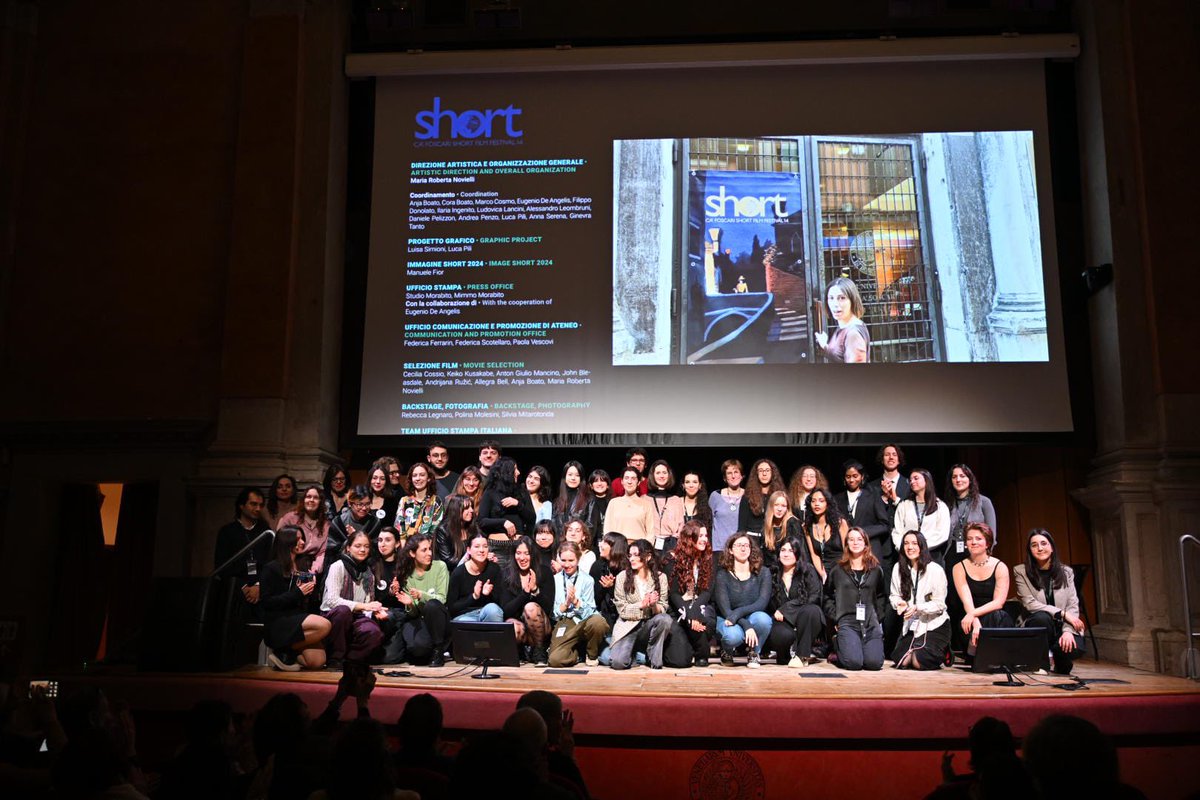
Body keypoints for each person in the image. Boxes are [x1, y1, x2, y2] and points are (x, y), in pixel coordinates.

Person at [1013, 528, 1086, 675]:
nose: (1040, 548)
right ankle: (1041, 664)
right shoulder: (1021, 571)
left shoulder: (1067, 572)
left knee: (1073, 647)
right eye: (1034, 545)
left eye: (1043, 543)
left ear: (1051, 547)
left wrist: (1067, 631)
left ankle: (1061, 659)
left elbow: (1072, 604)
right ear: (1030, 550)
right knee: (1042, 617)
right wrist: (1062, 613)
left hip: (1062, 626)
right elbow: (1030, 604)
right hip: (1037, 623)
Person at [259, 525, 331, 671]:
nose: (302, 542)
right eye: (298, 539)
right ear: (286, 542)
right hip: (279, 621)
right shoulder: (271, 568)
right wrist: (297, 593)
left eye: (302, 538)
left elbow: (305, 601)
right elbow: (267, 602)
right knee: (325, 625)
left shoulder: (302, 566)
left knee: (316, 662)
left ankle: (285, 654)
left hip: (297, 618)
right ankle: (282, 649)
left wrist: (312, 590)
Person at [823, 527, 888, 670]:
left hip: (870, 623)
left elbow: (882, 596)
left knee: (874, 664)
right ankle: (837, 646)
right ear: (846, 543)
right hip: (847, 622)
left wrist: (878, 617)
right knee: (854, 663)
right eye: (851, 539)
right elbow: (827, 596)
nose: (855, 542)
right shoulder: (838, 569)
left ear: (866, 543)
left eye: (859, 539)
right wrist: (836, 617)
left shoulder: (876, 570)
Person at [319, 529, 385, 670]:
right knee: (343, 612)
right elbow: (332, 600)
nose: (362, 550)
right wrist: (363, 606)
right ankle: (335, 659)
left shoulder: (368, 573)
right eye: (358, 546)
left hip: (357, 617)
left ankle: (352, 661)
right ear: (348, 548)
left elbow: (368, 604)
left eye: (366, 546)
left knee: (374, 631)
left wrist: (375, 610)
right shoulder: (338, 567)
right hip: (333, 617)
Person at [385, 533, 450, 667]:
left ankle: (439, 649)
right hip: (418, 619)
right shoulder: (408, 575)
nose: (429, 553)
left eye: (430, 549)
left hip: (437, 617)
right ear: (412, 553)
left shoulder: (440, 566)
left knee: (432, 605)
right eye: (424, 550)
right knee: (418, 650)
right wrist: (410, 605)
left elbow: (441, 599)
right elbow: (413, 613)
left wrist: (422, 595)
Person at [890, 531, 951, 669]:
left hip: (934, 624)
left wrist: (918, 607)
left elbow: (940, 604)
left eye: (914, 543)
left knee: (919, 661)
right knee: (901, 661)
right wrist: (899, 604)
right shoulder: (898, 568)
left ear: (922, 546)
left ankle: (946, 650)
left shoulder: (935, 570)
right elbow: (894, 595)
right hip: (912, 625)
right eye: (906, 543)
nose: (909, 547)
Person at [951, 522, 1013, 658]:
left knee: (998, 615)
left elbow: (998, 603)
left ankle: (999, 657)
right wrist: (975, 621)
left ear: (987, 543)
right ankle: (977, 654)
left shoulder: (1000, 566)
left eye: (978, 539)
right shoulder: (958, 567)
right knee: (966, 624)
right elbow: (967, 602)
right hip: (968, 618)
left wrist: (974, 615)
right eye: (969, 539)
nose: (973, 542)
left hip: (992, 616)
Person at [515, 691, 590, 800]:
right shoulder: (559, 767)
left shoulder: (497, 763)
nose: (561, 725)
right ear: (545, 724)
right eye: (559, 718)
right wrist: (568, 758)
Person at [609, 539, 671, 670]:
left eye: (636, 555)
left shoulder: (660, 577)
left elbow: (664, 606)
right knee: (618, 663)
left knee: (664, 619)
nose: (632, 558)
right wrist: (641, 605)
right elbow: (622, 609)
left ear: (648, 556)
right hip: (628, 626)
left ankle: (654, 659)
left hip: (648, 625)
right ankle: (635, 654)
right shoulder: (622, 577)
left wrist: (653, 605)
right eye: (630, 555)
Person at [713, 532, 773, 668]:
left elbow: (762, 603)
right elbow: (725, 610)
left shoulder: (763, 572)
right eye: (739, 545)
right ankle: (727, 652)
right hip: (728, 617)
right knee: (733, 636)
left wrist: (739, 614)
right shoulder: (722, 575)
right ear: (730, 550)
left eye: (746, 545)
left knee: (763, 620)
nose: (743, 548)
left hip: (749, 615)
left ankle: (754, 653)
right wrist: (746, 625)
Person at [763, 536, 824, 667]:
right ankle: (783, 655)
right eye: (783, 550)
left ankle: (802, 656)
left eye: (791, 550)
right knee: (781, 635)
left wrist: (787, 608)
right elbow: (766, 601)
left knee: (812, 610)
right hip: (781, 621)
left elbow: (814, 597)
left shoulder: (808, 570)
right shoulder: (771, 572)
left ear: (797, 553)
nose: (786, 554)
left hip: (804, 616)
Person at [662, 520, 717, 667]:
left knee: (707, 618)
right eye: (700, 535)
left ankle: (701, 653)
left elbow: (707, 591)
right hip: (678, 608)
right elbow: (673, 594)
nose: (704, 539)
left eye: (706, 535)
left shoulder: (708, 559)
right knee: (679, 661)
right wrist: (689, 615)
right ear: (689, 538)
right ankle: (685, 645)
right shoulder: (672, 559)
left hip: (700, 604)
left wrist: (694, 613)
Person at [549, 541, 610, 667]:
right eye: (563, 560)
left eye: (571, 560)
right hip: (565, 621)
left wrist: (576, 602)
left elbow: (590, 611)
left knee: (598, 622)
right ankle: (577, 653)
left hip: (583, 619)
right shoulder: (554, 580)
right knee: (555, 660)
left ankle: (591, 654)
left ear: (578, 559)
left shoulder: (587, 580)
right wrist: (566, 603)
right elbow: (554, 614)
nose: (567, 564)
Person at [212, 487, 271, 609]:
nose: (258, 509)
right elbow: (221, 564)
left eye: (261, 505)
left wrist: (258, 585)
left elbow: (270, 562)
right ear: (241, 505)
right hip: (234, 586)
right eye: (253, 504)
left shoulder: (265, 531)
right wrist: (243, 586)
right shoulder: (227, 531)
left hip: (261, 586)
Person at [500, 536, 555, 664]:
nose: (522, 558)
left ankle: (539, 651)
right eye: (518, 553)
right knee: (511, 626)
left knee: (530, 607)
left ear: (533, 554)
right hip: (520, 627)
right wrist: (524, 594)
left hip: (541, 627)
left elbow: (548, 608)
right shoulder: (506, 574)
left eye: (527, 553)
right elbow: (506, 611)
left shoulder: (545, 571)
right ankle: (520, 651)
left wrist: (535, 590)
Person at [835, 459, 894, 575]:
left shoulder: (873, 496)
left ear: (862, 477)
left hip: (870, 551)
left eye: (855, 476)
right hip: (846, 552)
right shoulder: (837, 499)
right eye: (848, 476)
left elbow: (884, 525)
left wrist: (861, 533)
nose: (851, 480)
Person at [477, 456, 536, 568]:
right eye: (515, 469)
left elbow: (532, 518)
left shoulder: (522, 491)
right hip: (497, 547)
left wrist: (518, 504)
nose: (518, 473)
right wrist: (503, 522)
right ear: (506, 472)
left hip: (519, 548)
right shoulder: (490, 492)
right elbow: (481, 521)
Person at [944, 464, 998, 569]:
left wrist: (986, 554)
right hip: (952, 553)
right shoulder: (947, 504)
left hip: (976, 551)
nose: (958, 480)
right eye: (954, 477)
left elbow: (992, 534)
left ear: (970, 479)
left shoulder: (984, 502)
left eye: (962, 476)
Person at [891, 468, 950, 566]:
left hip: (932, 556)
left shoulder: (940, 506)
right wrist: (906, 547)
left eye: (916, 478)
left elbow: (942, 533)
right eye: (910, 480)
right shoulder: (904, 505)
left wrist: (921, 547)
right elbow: (897, 531)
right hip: (908, 556)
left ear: (926, 480)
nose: (912, 481)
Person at [446, 531, 504, 623]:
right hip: (464, 615)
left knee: (494, 610)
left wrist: (487, 594)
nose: (481, 550)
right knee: (464, 622)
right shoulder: (458, 573)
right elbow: (452, 607)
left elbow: (501, 602)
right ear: (469, 550)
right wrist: (474, 596)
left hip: (486, 611)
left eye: (485, 546)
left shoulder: (494, 569)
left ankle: (493, 637)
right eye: (477, 546)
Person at [277, 485, 332, 574]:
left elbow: (322, 553)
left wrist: (313, 571)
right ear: (303, 500)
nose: (311, 500)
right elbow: (280, 544)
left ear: (320, 502)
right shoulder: (290, 518)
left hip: (313, 567)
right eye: (308, 497)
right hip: (289, 564)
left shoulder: (326, 525)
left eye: (316, 498)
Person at [815, 276, 870, 362]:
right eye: (831, 298)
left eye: (842, 298)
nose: (835, 304)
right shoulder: (844, 325)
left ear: (852, 300)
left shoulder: (853, 334)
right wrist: (825, 347)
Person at [803, 487, 848, 581]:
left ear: (827, 504)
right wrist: (822, 574)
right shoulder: (807, 526)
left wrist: (842, 571)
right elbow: (814, 554)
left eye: (821, 501)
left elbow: (847, 550)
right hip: (822, 573)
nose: (816, 504)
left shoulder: (840, 523)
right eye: (813, 501)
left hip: (842, 570)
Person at [394, 461, 443, 543]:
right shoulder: (404, 501)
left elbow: (435, 531)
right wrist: (404, 551)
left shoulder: (435, 501)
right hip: (406, 548)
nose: (418, 478)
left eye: (422, 475)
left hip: (427, 548)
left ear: (429, 478)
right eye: (414, 475)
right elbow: (400, 529)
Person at [603, 467, 656, 540]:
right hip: (617, 547)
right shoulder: (614, 503)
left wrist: (645, 549)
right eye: (626, 478)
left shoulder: (646, 504)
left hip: (639, 548)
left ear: (638, 482)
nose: (629, 481)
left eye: (633, 478)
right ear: (622, 481)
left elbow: (651, 533)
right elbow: (607, 529)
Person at [646, 459, 685, 554]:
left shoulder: (676, 500)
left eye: (664, 472)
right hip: (649, 545)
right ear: (653, 475)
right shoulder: (644, 499)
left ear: (669, 475)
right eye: (658, 473)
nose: (661, 476)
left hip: (671, 546)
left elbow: (681, 525)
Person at [738, 458, 785, 536]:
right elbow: (741, 527)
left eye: (767, 470)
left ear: (773, 473)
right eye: (761, 471)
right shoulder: (747, 497)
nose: (764, 474)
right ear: (756, 473)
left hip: (774, 539)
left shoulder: (780, 496)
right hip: (753, 540)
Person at [709, 459, 745, 561]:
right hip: (719, 549)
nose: (733, 476)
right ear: (725, 478)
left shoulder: (748, 497)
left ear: (741, 476)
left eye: (736, 472)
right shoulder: (715, 496)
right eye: (729, 473)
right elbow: (709, 521)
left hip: (741, 549)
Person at [590, 531, 627, 630]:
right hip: (601, 618)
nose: (600, 544)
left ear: (615, 547)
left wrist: (611, 588)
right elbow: (592, 599)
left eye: (605, 542)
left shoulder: (627, 570)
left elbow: (628, 600)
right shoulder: (597, 566)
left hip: (623, 619)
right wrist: (603, 588)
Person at [761, 490, 802, 572]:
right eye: (776, 505)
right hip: (771, 570)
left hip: (789, 569)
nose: (779, 509)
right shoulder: (767, 525)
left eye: (783, 506)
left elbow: (797, 552)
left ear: (787, 508)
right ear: (771, 506)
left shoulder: (792, 523)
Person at [434, 493, 476, 570]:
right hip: (452, 573)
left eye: (471, 507)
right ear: (456, 509)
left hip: (471, 569)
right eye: (467, 508)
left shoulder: (472, 528)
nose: (472, 510)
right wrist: (473, 560)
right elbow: (448, 561)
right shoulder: (443, 530)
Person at [871, 443, 911, 517]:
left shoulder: (909, 484)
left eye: (894, 454)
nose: (891, 457)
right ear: (882, 460)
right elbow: (870, 513)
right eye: (887, 455)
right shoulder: (871, 487)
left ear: (899, 460)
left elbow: (912, 512)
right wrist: (884, 498)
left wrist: (895, 499)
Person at [552, 460, 589, 534]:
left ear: (581, 478)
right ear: (564, 477)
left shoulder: (588, 500)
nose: (573, 478)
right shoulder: (556, 502)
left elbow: (590, 527)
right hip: (559, 544)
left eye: (577, 475)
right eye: (570, 474)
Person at [582, 469, 611, 534]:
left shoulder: (613, 502)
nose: (599, 484)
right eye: (596, 481)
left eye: (602, 481)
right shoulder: (586, 503)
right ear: (591, 486)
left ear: (608, 485)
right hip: (591, 541)